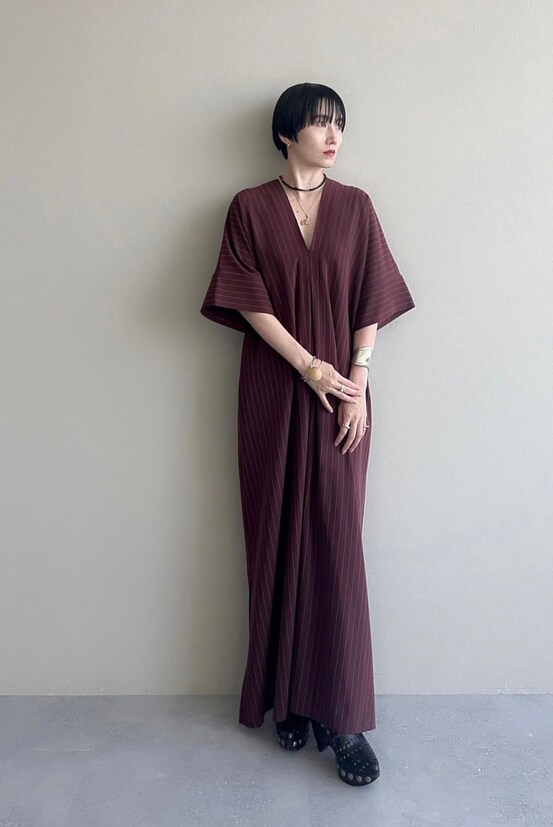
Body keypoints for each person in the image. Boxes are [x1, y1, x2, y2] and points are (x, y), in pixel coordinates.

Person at [200, 82, 415, 786]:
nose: (333, 136)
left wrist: (355, 380)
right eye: (320, 123)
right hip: (273, 389)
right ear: (286, 132)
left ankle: (342, 717)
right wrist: (308, 366)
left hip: (341, 397)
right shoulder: (248, 207)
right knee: (275, 540)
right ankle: (289, 699)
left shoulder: (356, 207)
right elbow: (247, 299)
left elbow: (370, 298)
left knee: (335, 546)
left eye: (339, 124)